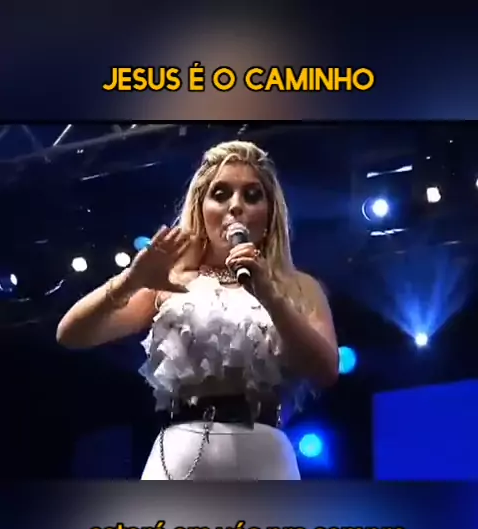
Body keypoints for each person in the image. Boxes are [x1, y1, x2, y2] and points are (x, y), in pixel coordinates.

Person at [56, 140, 338, 480]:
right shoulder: (171, 281)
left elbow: (326, 370)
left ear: (270, 213)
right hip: (181, 451)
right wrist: (131, 280)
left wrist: (270, 295)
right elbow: (71, 334)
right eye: (221, 194)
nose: (236, 206)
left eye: (252, 196)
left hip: (264, 455)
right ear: (201, 207)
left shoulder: (298, 286)